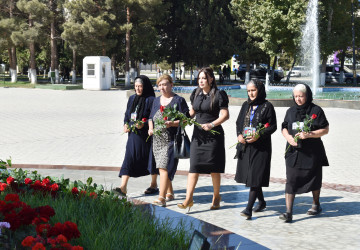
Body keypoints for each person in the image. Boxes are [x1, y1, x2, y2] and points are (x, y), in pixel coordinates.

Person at [178, 67, 229, 212]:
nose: (201, 81)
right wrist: (181, 119)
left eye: (204, 78)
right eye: (199, 78)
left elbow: (225, 115)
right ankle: (189, 199)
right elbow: (192, 112)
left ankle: (217, 196)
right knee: (194, 166)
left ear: (211, 79)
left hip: (214, 136)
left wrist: (212, 124)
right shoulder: (196, 93)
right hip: (198, 136)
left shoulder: (219, 94)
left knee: (214, 168)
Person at [280, 83, 329, 222]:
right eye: (295, 96)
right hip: (293, 152)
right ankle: (288, 212)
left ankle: (316, 204)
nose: (298, 99)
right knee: (291, 180)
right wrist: (288, 137)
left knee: (315, 178)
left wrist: (310, 134)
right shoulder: (290, 111)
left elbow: (325, 129)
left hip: (312, 152)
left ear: (307, 96)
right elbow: (284, 127)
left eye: (301, 96)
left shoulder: (316, 110)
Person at [235, 79, 277, 219]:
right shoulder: (245, 105)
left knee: (255, 175)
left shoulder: (267, 106)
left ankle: (248, 209)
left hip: (261, 147)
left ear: (259, 90)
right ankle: (262, 201)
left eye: (253, 90)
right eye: (248, 91)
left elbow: (272, 126)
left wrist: (259, 134)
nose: (251, 93)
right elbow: (238, 122)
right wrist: (239, 135)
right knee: (252, 175)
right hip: (246, 146)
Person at [148, 74, 189, 207]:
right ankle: (170, 193)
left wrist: (172, 123)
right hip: (157, 140)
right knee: (161, 166)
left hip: (171, 139)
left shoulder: (178, 100)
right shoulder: (156, 100)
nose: (162, 87)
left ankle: (162, 197)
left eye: (165, 84)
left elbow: (186, 120)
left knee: (163, 167)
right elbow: (150, 117)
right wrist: (150, 129)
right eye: (160, 85)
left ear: (171, 85)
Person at [114, 75, 156, 196]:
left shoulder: (151, 99)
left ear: (145, 86)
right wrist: (125, 124)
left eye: (140, 86)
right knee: (129, 157)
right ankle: (123, 187)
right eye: (136, 86)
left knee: (150, 158)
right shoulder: (132, 98)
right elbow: (127, 114)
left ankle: (154, 184)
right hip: (133, 135)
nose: (137, 89)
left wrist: (144, 125)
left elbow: (153, 117)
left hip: (146, 135)